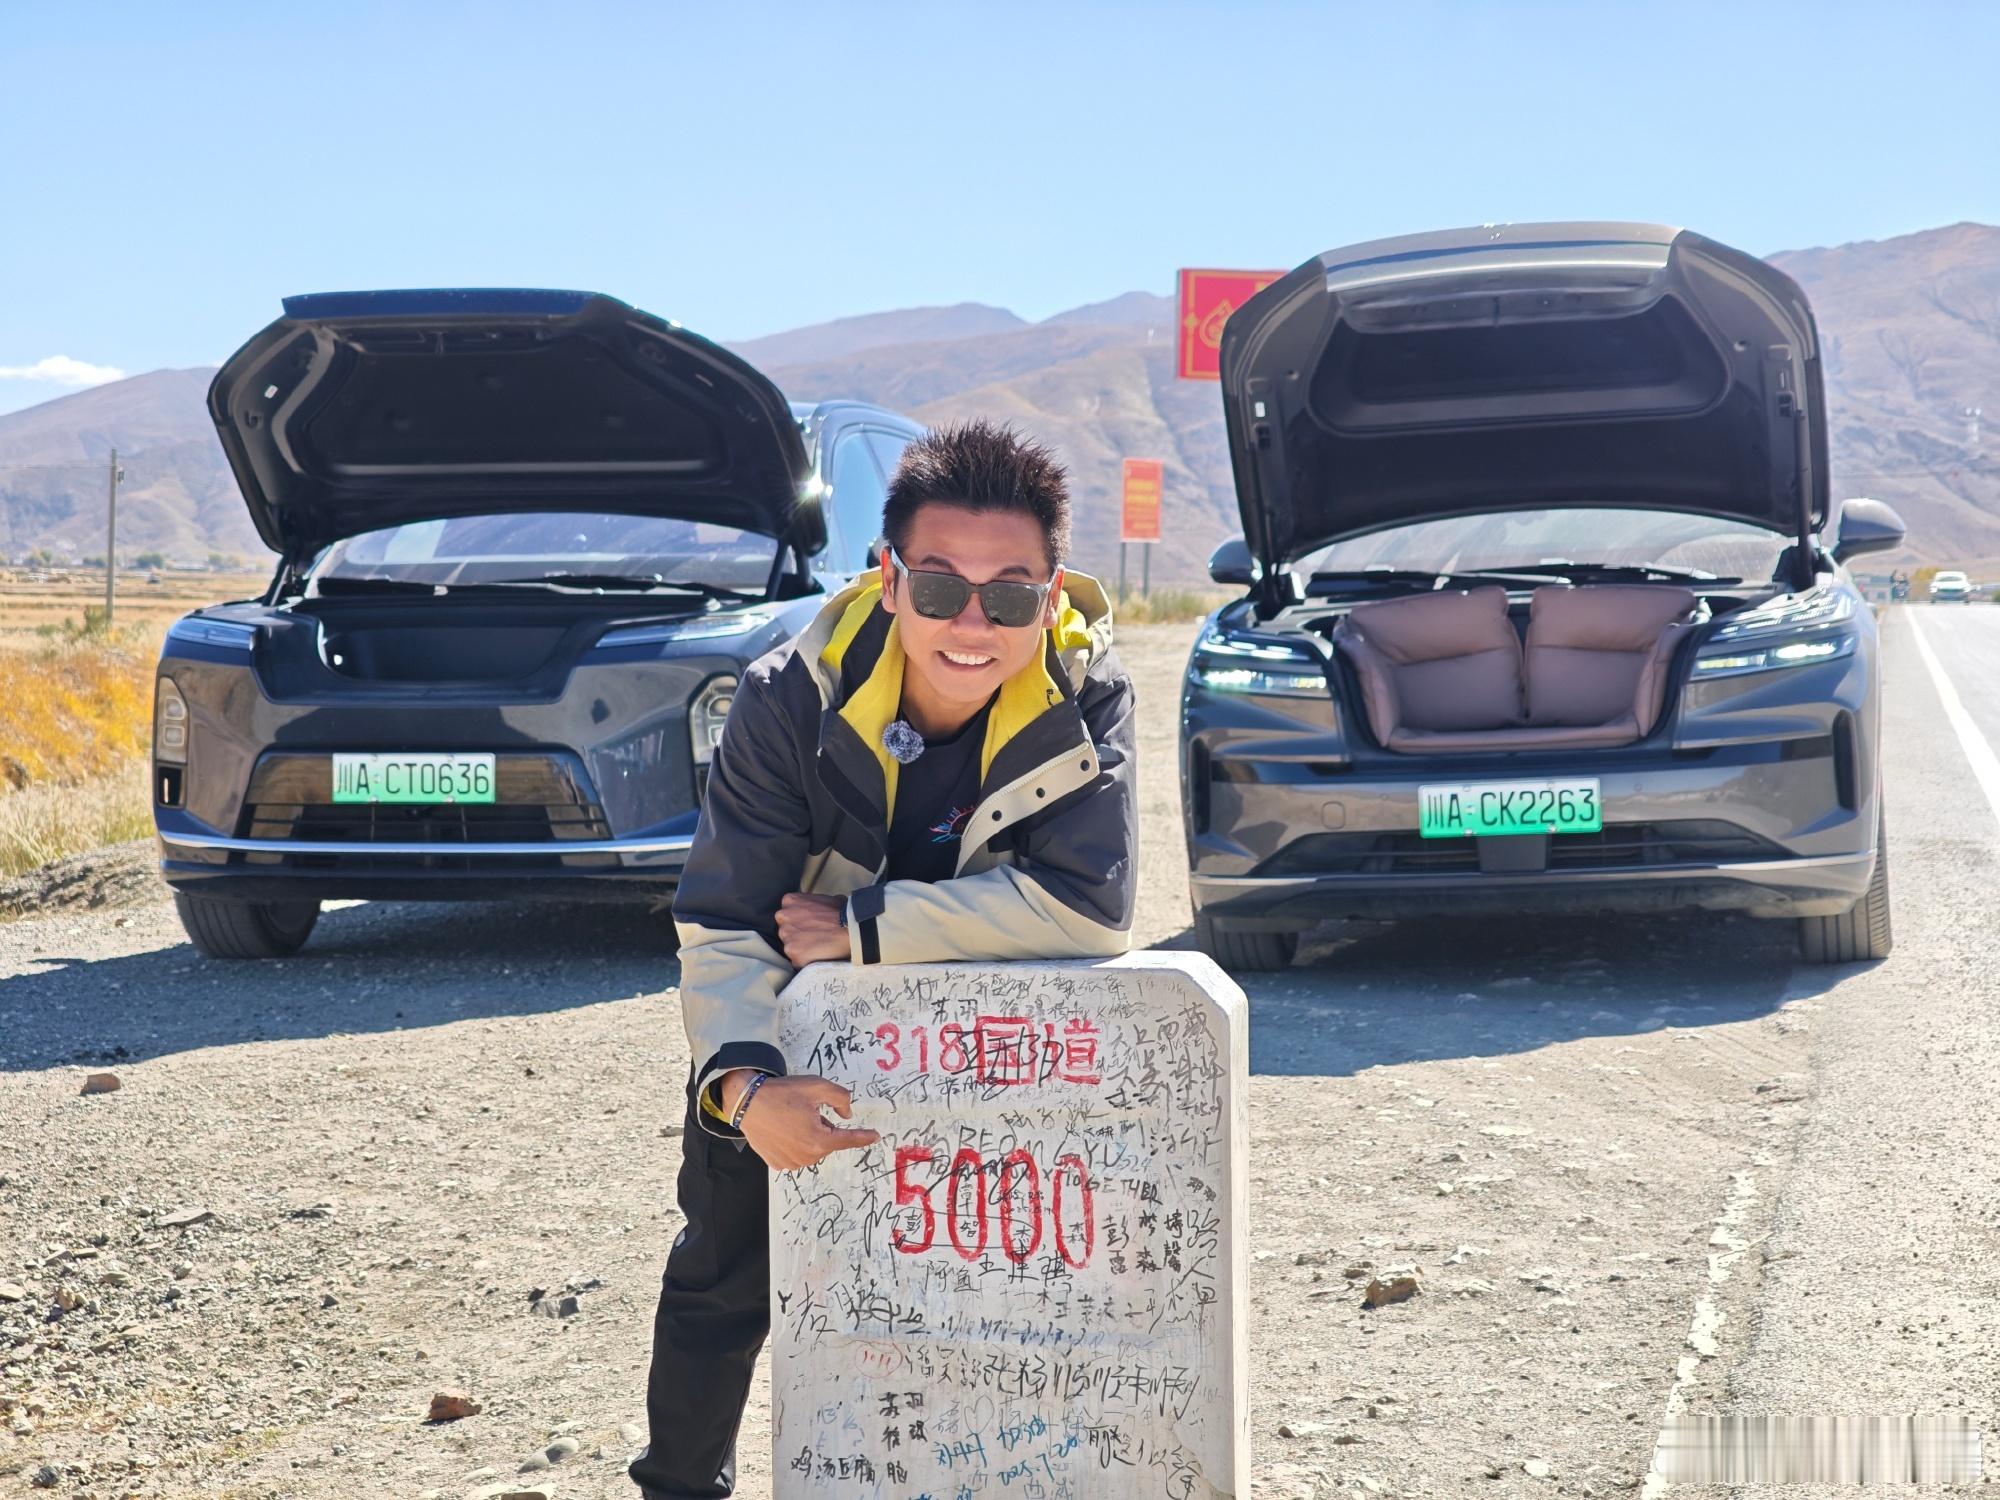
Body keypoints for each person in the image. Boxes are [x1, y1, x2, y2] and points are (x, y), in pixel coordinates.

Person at [630, 419, 1138, 1499]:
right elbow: (725, 920)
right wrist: (744, 1089)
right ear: (887, 576)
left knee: (994, 1288)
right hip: (787, 1033)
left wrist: (865, 927)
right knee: (724, 1271)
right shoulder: (786, 698)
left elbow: (1091, 907)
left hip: (983, 1051)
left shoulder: (1085, 695)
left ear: (1050, 597)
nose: (971, 623)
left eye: (1009, 597)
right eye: (939, 586)